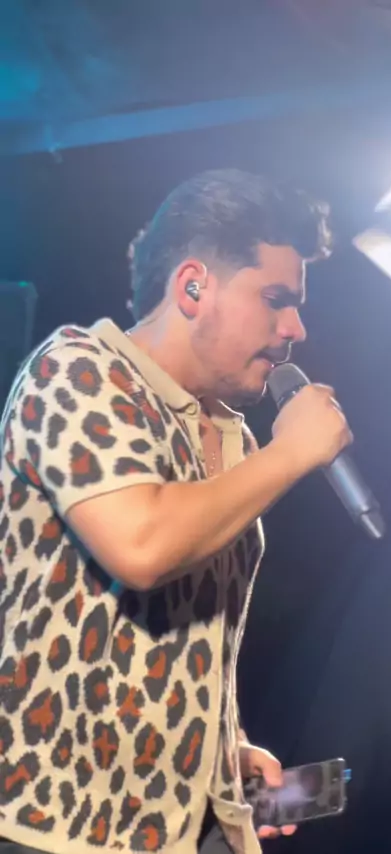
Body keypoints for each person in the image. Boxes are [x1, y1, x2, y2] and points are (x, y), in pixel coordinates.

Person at [0, 168, 351, 854]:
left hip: (183, 824)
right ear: (193, 287)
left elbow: (180, 637)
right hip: (60, 827)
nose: (295, 328)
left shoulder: (229, 434)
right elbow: (143, 547)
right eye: (276, 300)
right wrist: (290, 453)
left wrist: (218, 746)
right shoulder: (76, 370)